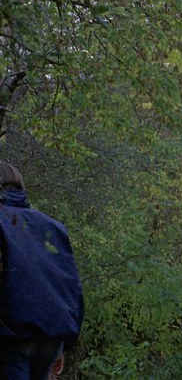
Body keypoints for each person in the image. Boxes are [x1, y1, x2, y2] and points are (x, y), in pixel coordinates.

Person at [0, 162, 84, 379]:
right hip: (52, 335)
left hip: (12, 337)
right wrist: (63, 345)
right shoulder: (53, 226)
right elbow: (72, 287)